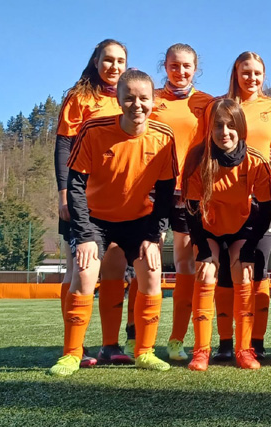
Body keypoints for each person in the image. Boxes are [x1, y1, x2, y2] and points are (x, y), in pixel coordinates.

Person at [49, 69, 176, 376]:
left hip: (139, 221)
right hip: (95, 221)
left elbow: (165, 194)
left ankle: (144, 351)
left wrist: (153, 236)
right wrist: (85, 235)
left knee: (151, 273)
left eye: (143, 98)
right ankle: (72, 354)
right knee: (84, 273)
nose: (137, 105)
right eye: (129, 98)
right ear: (118, 100)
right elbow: (76, 186)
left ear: (153, 101)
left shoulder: (164, 137)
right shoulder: (93, 131)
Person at [182, 97, 271, 370]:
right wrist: (203, 249)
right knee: (206, 272)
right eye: (218, 126)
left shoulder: (255, 161)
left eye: (231, 126)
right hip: (207, 228)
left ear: (241, 128)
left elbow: (265, 211)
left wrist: (248, 247)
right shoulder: (198, 159)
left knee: (244, 272)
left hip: (242, 227)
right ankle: (201, 351)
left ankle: (244, 350)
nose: (224, 132)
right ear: (210, 129)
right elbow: (191, 210)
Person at [54, 39, 129, 367]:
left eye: (120, 61)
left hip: (118, 199)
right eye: (108, 59)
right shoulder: (79, 97)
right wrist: (63, 193)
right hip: (81, 196)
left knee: (114, 268)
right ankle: (75, 346)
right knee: (78, 268)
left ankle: (110, 345)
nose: (114, 66)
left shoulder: (128, 98)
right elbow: (63, 147)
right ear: (96, 62)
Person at [213, 52, 271, 361]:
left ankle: (257, 341)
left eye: (257, 72)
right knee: (228, 273)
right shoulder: (222, 105)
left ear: (264, 76)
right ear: (236, 73)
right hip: (226, 194)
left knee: (259, 269)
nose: (251, 78)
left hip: (261, 194)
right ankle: (225, 343)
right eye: (246, 72)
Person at [151, 43, 214, 362]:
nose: (180, 71)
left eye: (187, 66)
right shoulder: (150, 99)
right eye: (174, 65)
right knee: (147, 261)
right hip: (153, 190)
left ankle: (178, 340)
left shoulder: (206, 102)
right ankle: (138, 339)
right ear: (165, 66)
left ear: (195, 68)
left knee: (187, 265)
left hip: (190, 191)